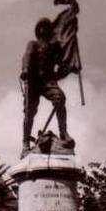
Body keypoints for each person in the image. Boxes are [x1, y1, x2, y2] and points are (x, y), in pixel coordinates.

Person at [21, 18, 70, 152]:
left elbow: (62, 63)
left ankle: (63, 133)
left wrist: (70, 67)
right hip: (33, 81)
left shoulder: (54, 48)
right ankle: (25, 142)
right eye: (42, 27)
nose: (45, 29)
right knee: (29, 113)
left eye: (47, 27)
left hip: (48, 82)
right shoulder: (33, 44)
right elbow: (27, 57)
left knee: (60, 99)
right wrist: (25, 71)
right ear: (38, 31)